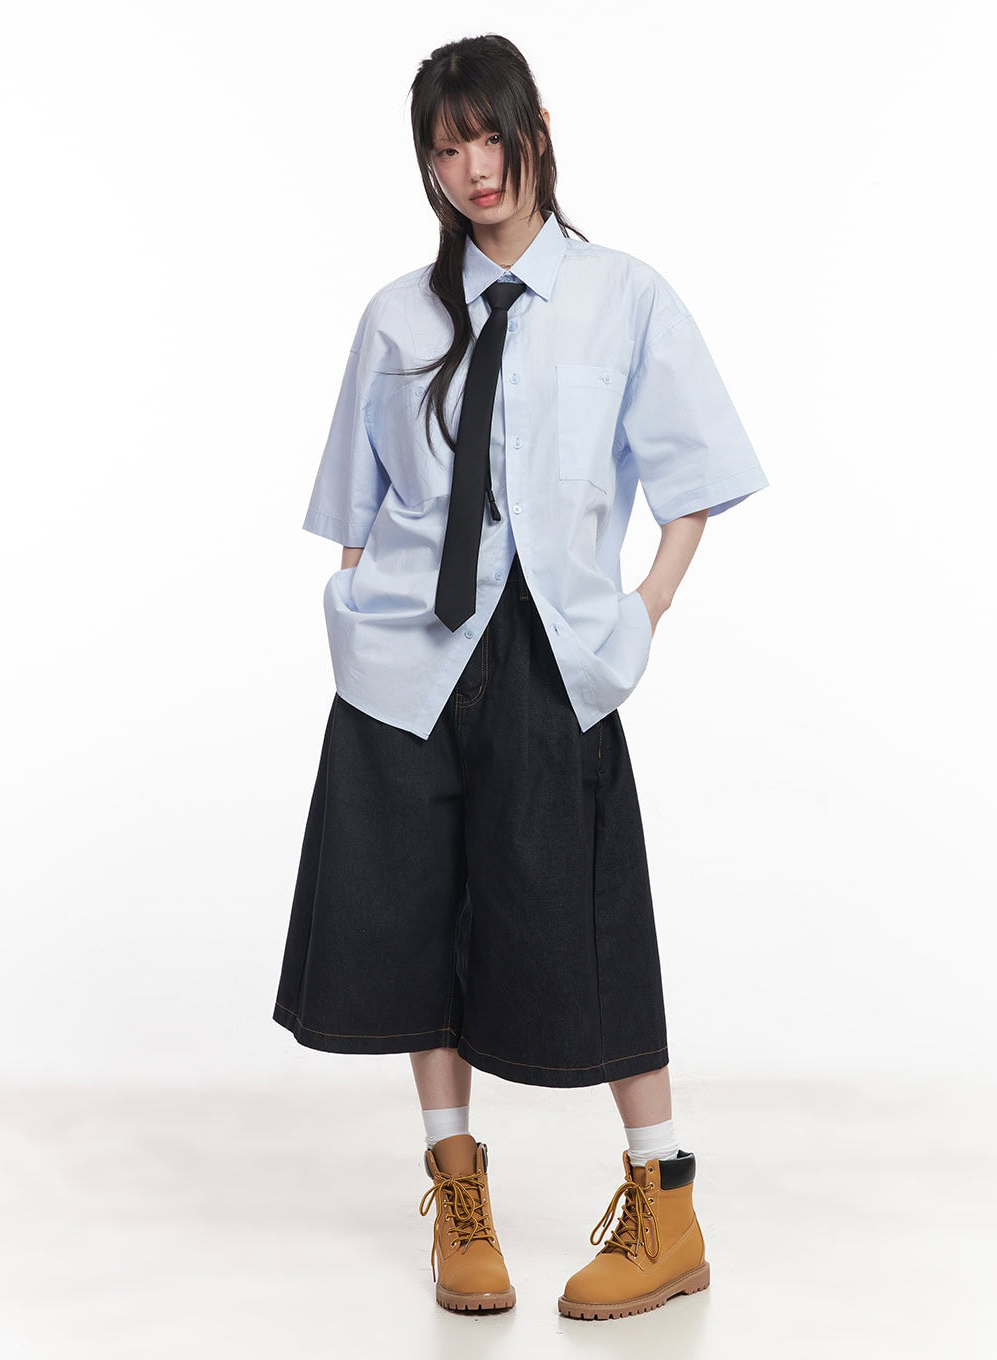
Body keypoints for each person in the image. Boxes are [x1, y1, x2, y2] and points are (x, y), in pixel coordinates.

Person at [272, 32, 769, 1322]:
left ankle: (664, 1200)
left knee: (593, 913)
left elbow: (694, 479)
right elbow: (354, 502)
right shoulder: (398, 315)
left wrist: (641, 614)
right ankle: (458, 1192)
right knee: (417, 919)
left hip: (553, 649)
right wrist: (358, 621)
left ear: (535, 129)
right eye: (445, 149)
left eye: (488, 135)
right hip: (409, 661)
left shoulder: (623, 296)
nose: (473, 168)